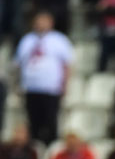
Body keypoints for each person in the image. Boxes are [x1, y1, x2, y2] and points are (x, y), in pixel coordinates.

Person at [13, 10, 74, 145]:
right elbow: (18, 65)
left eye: (43, 21)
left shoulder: (59, 40)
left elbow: (67, 64)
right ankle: (35, 149)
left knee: (50, 122)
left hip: (51, 88)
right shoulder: (27, 40)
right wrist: (18, 84)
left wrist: (65, 85)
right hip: (31, 88)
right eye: (38, 20)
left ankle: (50, 148)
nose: (40, 24)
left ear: (51, 23)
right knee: (33, 122)